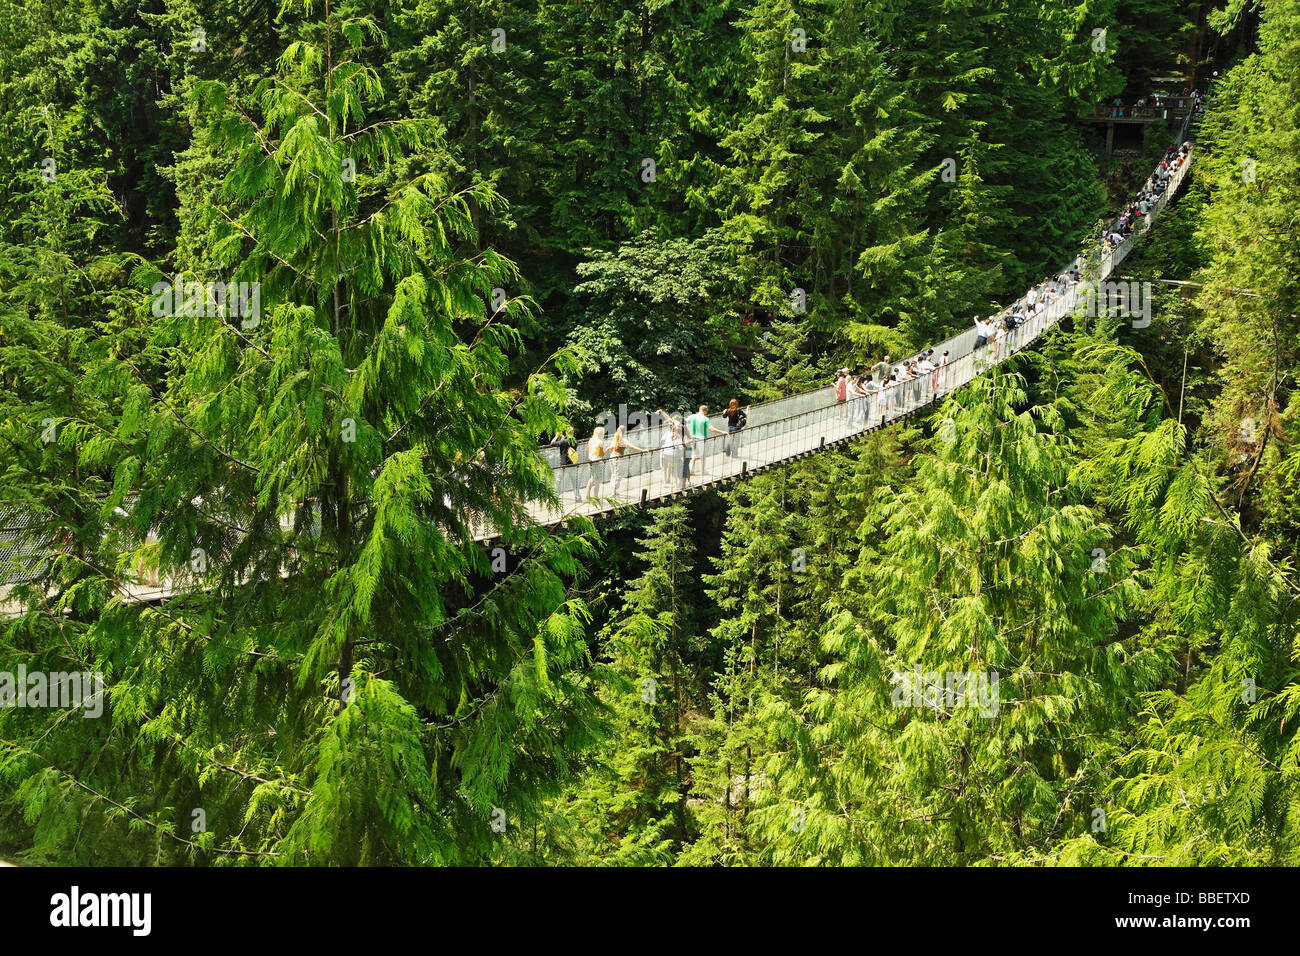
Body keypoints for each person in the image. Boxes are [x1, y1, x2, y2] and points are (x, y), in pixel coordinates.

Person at [685, 405, 727, 478]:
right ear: (705, 411)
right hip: (700, 439)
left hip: (692, 439)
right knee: (703, 455)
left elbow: (684, 424)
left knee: (694, 455)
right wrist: (722, 432)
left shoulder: (691, 417)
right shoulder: (705, 419)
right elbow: (711, 429)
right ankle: (703, 470)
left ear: (699, 409)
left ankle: (691, 470)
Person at [609, 426, 647, 499]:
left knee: (613, 474)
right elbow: (632, 447)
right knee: (618, 475)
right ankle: (613, 493)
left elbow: (611, 448)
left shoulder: (615, 438)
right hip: (618, 459)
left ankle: (613, 491)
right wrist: (642, 450)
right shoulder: (623, 440)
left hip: (612, 457)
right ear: (624, 432)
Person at [548, 429, 582, 502]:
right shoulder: (575, 441)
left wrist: (556, 436)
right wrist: (563, 439)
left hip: (564, 465)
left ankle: (555, 496)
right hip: (572, 464)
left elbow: (552, 443)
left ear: (566, 433)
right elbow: (567, 446)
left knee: (558, 481)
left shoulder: (564, 442)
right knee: (574, 482)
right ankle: (578, 497)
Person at [585, 425, 609, 501]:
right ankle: (595, 497)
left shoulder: (590, 440)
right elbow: (602, 454)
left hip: (590, 461)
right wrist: (607, 449)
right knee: (597, 480)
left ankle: (587, 495)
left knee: (592, 478)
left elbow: (588, 450)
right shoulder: (600, 442)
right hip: (597, 461)